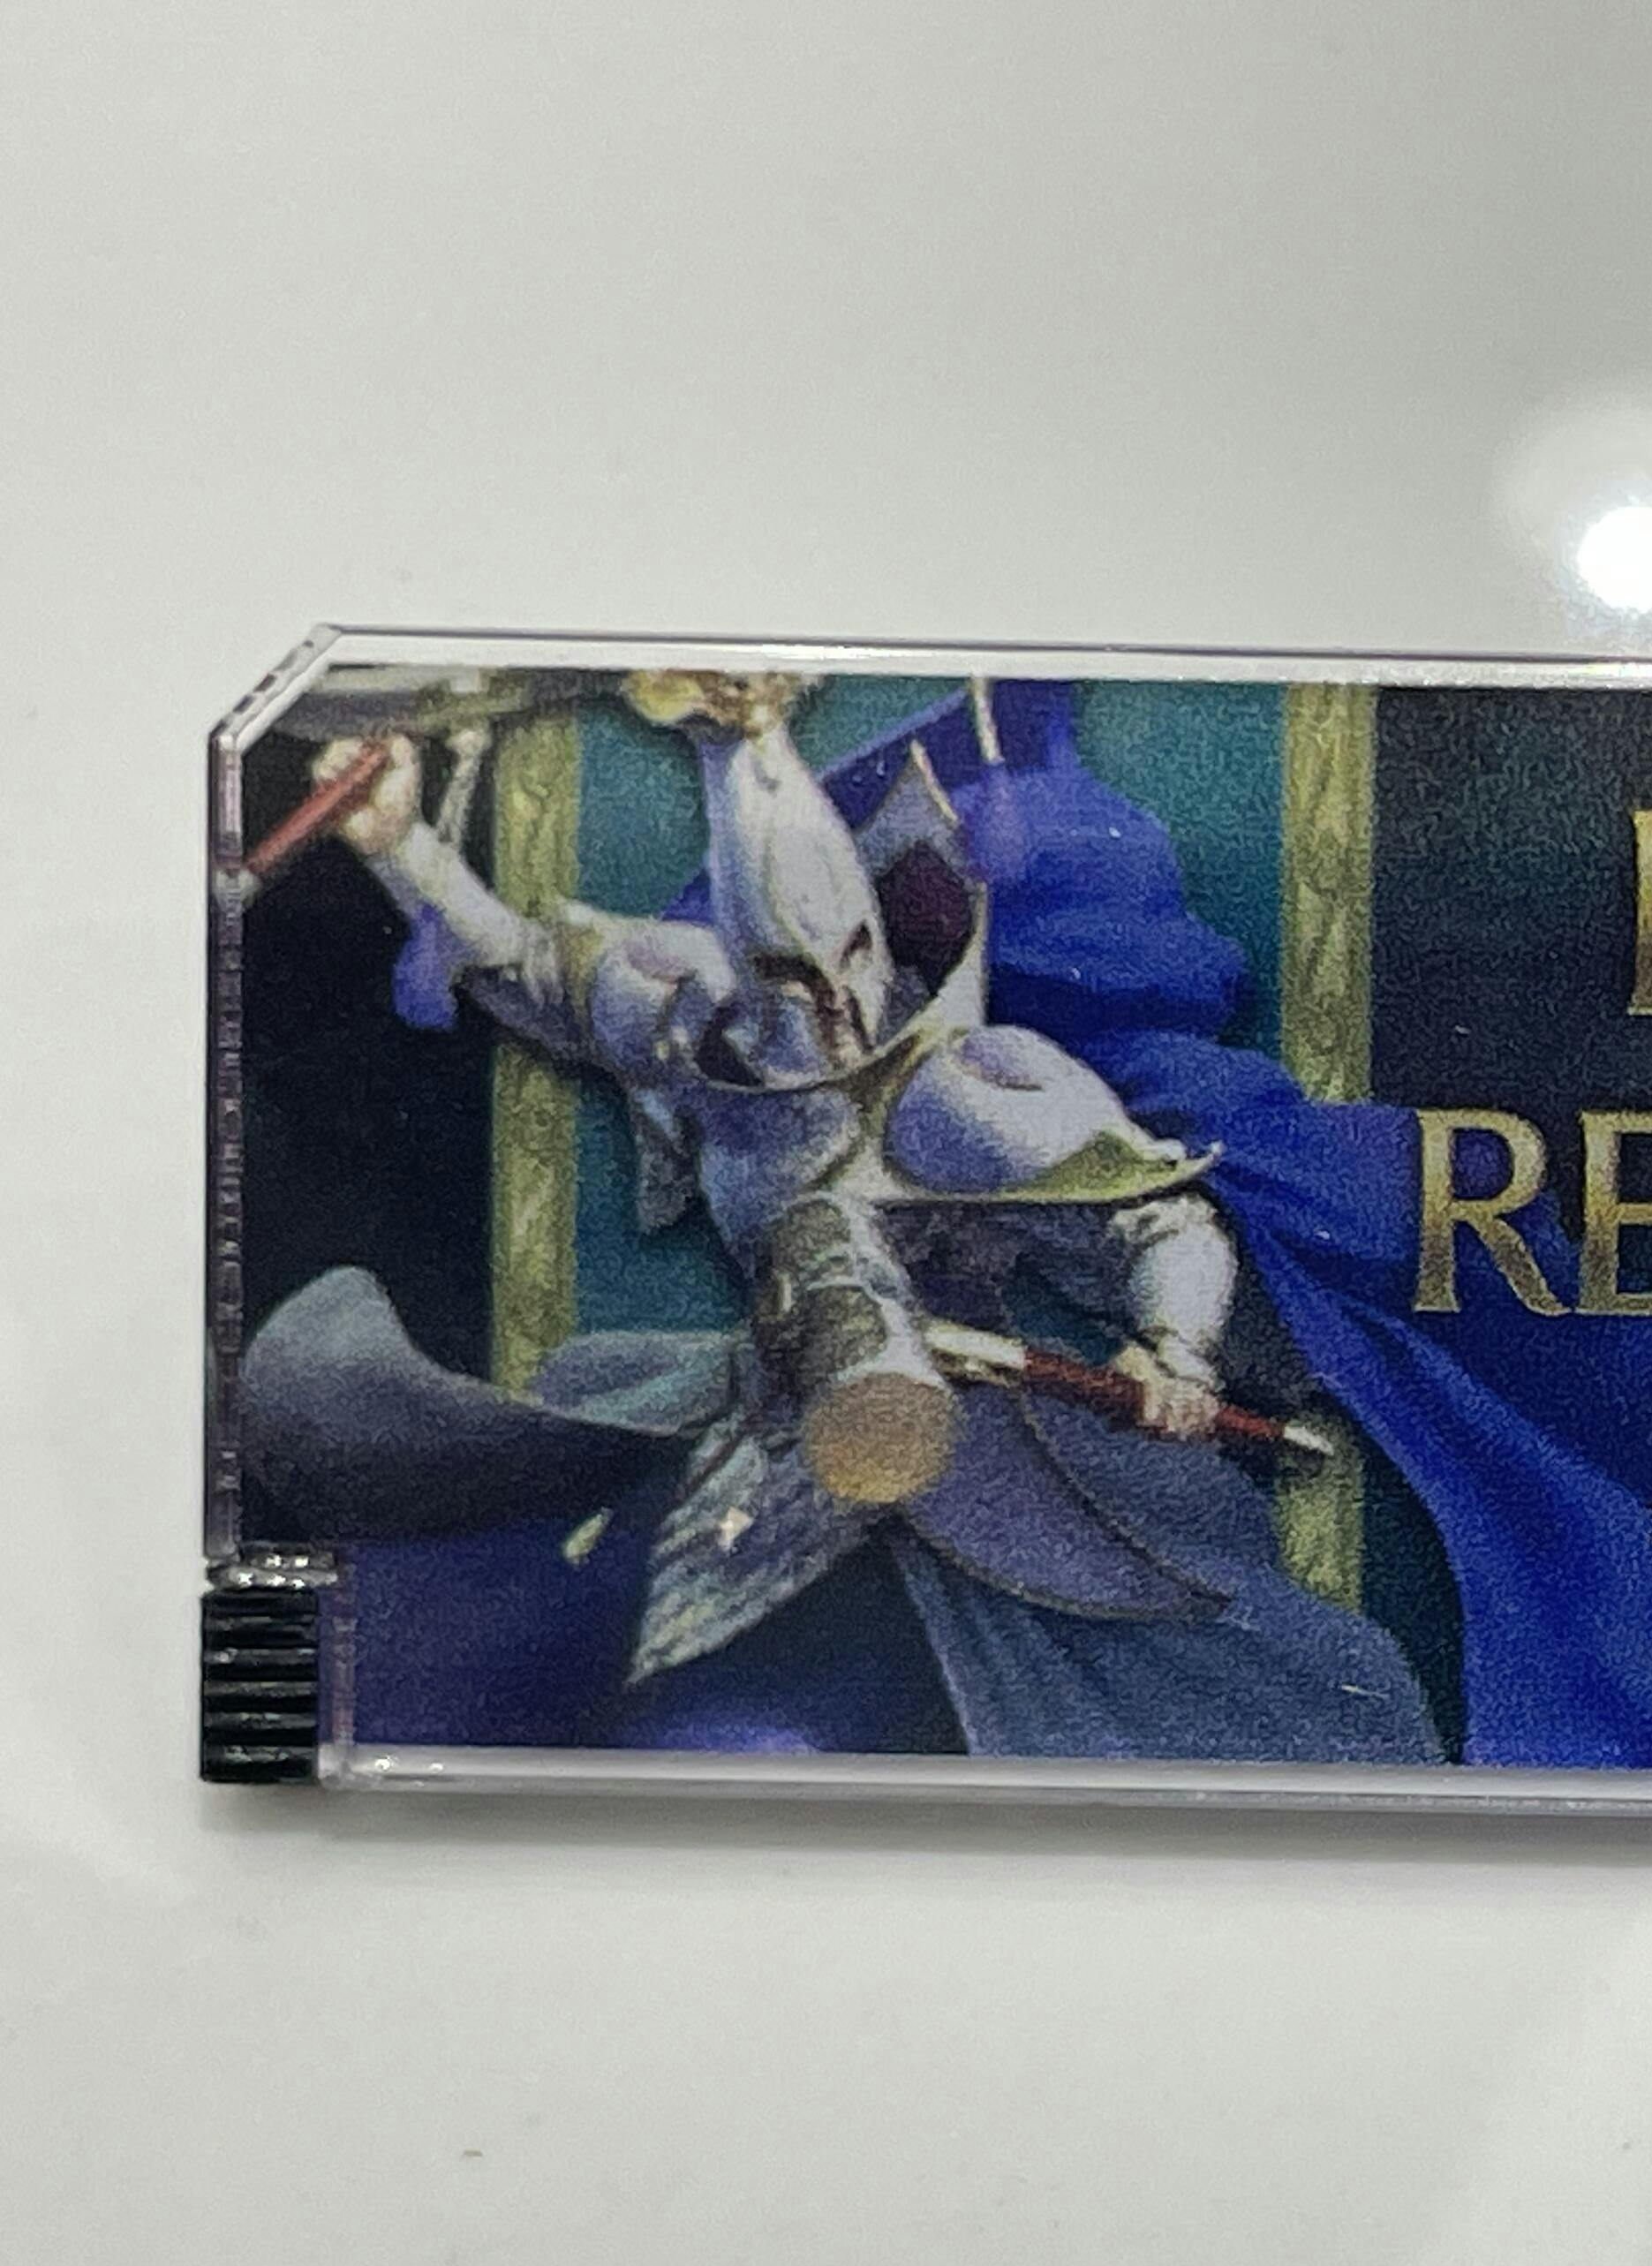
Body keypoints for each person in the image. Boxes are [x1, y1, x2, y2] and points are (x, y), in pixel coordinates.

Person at [243, 673, 1441, 1762]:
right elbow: (517, 963)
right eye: (785, 976)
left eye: (839, 965)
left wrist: (1174, 1353)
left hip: (972, 1462)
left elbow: (1161, 1224)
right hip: (769, 1447)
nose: (819, 1008)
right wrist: (402, 846)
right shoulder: (704, 1027)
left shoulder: (969, 1094)